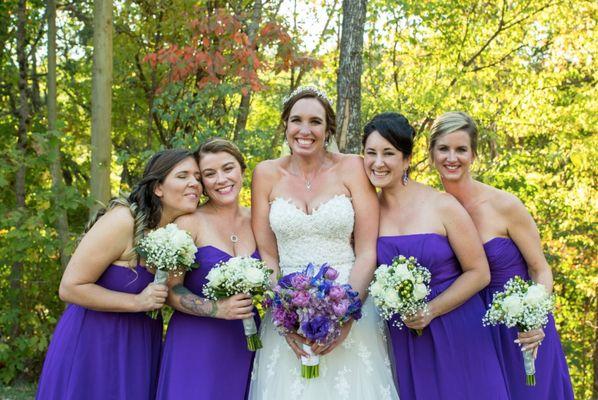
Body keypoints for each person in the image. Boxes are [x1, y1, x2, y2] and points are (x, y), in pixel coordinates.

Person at [248, 87, 399, 399]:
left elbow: (367, 251)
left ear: (328, 129)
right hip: (287, 305)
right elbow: (268, 255)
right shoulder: (265, 173)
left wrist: (345, 317)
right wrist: (284, 318)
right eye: (296, 120)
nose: (305, 130)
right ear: (285, 125)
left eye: (315, 122)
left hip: (349, 301)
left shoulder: (353, 167)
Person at [429, 111, 574, 399]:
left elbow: (540, 269)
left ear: (473, 155)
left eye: (461, 149)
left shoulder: (504, 205)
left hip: (519, 331)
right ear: (431, 154)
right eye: (443, 148)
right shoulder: (432, 210)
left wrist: (535, 318)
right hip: (470, 335)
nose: (451, 157)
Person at [364, 112, 509, 399]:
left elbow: (479, 273)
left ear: (406, 159)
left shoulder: (442, 205)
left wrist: (431, 310)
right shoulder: (368, 213)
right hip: (405, 336)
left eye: (388, 153)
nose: (378, 162)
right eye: (371, 153)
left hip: (458, 329)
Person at [36, 149, 201, 400]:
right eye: (183, 176)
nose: (195, 183)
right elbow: (70, 287)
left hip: (140, 342)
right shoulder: (124, 220)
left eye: (198, 177)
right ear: (158, 187)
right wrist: (137, 302)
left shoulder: (175, 235)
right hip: (95, 343)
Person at [157, 138, 259, 399]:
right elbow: (169, 289)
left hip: (248, 342)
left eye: (228, 168)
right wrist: (217, 309)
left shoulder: (259, 220)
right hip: (196, 344)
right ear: (202, 184)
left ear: (242, 171)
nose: (221, 179)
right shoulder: (188, 224)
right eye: (209, 174)